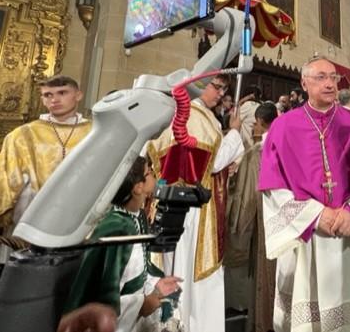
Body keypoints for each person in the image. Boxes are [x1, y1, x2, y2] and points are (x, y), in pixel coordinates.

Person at [259, 56, 350, 332]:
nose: (329, 84)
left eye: (334, 78)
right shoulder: (282, 127)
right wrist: (316, 215)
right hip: (306, 236)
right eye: (321, 77)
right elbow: (272, 189)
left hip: (347, 236)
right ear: (304, 83)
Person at [147, 74, 244, 332]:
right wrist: (234, 133)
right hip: (191, 210)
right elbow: (212, 162)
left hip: (180, 205)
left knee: (178, 265)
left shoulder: (196, 115)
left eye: (224, 88)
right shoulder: (192, 116)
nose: (221, 93)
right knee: (188, 272)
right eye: (217, 87)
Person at [64, 156, 181, 332]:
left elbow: (137, 272)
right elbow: (105, 300)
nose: (154, 176)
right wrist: (143, 304)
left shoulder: (137, 216)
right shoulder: (116, 229)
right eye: (149, 172)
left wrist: (156, 287)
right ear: (137, 187)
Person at [0, 75, 91, 262]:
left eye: (62, 93)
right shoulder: (23, 135)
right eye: (47, 95)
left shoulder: (95, 133)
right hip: (31, 228)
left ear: (78, 95)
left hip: (82, 223)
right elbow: (6, 183)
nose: (54, 99)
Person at [225, 102, 278, 332]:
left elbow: (251, 192)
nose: (255, 127)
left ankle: (264, 321)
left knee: (265, 272)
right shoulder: (279, 142)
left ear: (260, 122)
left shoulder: (259, 150)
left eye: (256, 123)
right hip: (278, 217)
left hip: (263, 218)